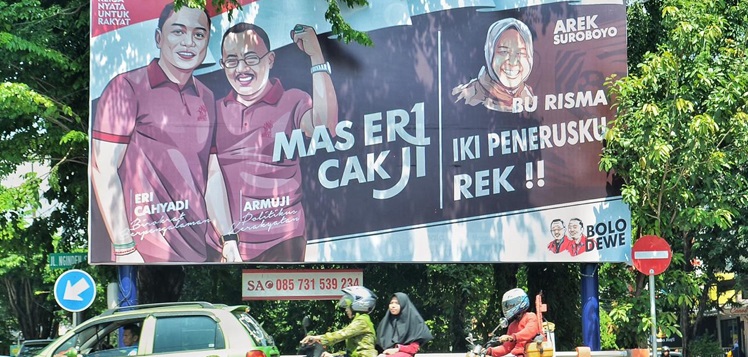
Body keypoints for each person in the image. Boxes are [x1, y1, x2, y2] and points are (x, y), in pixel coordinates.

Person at [91, 2, 224, 262]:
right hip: (146, 251)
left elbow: (212, 172)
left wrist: (227, 239)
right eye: (178, 31)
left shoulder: (206, 96)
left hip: (201, 249)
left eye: (199, 34)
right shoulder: (126, 87)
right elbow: (102, 168)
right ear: (158, 38)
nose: (189, 42)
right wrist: (124, 247)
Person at [206, 22, 338, 262]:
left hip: (282, 239)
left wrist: (316, 57)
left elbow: (324, 126)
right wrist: (228, 239)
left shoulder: (293, 100)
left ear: (270, 59)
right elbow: (212, 178)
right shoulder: (213, 112)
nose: (241, 69)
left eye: (251, 58)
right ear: (222, 65)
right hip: (227, 243)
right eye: (232, 61)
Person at [452, 18, 535, 113]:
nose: (512, 62)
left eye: (520, 53)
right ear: (490, 54)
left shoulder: (531, 98)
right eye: (504, 52)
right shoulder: (466, 97)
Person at [301, 286, 378, 357]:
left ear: (359, 304)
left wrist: (318, 338)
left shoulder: (362, 321)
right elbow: (352, 352)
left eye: (348, 305)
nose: (346, 309)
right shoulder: (359, 321)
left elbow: (342, 334)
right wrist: (333, 355)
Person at [485, 288, 540, 357]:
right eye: (507, 306)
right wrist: (489, 351)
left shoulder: (530, 316)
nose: (508, 308)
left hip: (530, 354)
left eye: (511, 305)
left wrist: (512, 337)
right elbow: (506, 348)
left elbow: (530, 331)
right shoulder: (512, 325)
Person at [376, 292, 433, 357]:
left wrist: (398, 349)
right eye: (391, 303)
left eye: (397, 303)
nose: (393, 306)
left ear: (403, 304)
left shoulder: (413, 321)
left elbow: (414, 348)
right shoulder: (385, 323)